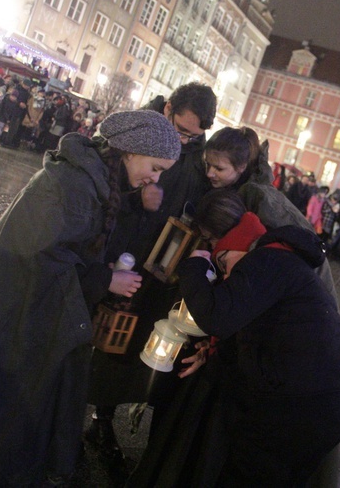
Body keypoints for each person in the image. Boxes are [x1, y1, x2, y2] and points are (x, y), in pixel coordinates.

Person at [0, 110, 181, 486]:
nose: (155, 179)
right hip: (6, 322)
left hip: (11, 318)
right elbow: (36, 260)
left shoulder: (89, 180)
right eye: (155, 167)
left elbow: (59, 251)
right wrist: (104, 278)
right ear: (128, 150)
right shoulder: (73, 184)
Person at [175, 190, 340, 485]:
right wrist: (212, 353)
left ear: (221, 243)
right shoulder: (274, 257)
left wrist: (193, 267)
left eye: (211, 246)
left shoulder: (265, 262)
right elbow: (252, 332)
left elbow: (218, 317)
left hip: (300, 411)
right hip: (315, 406)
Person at [86, 82, 217, 460]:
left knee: (132, 338)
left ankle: (103, 416)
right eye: (182, 130)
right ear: (169, 107)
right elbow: (105, 182)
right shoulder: (137, 130)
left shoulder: (195, 155)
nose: (187, 140)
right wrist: (137, 197)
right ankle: (72, 402)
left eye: (195, 135)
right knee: (99, 327)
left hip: (162, 266)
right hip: (123, 251)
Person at [202, 126, 338, 300]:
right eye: (208, 164)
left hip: (308, 292)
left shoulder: (258, 198)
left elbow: (264, 257)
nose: (209, 173)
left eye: (218, 168)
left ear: (241, 167)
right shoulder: (243, 190)